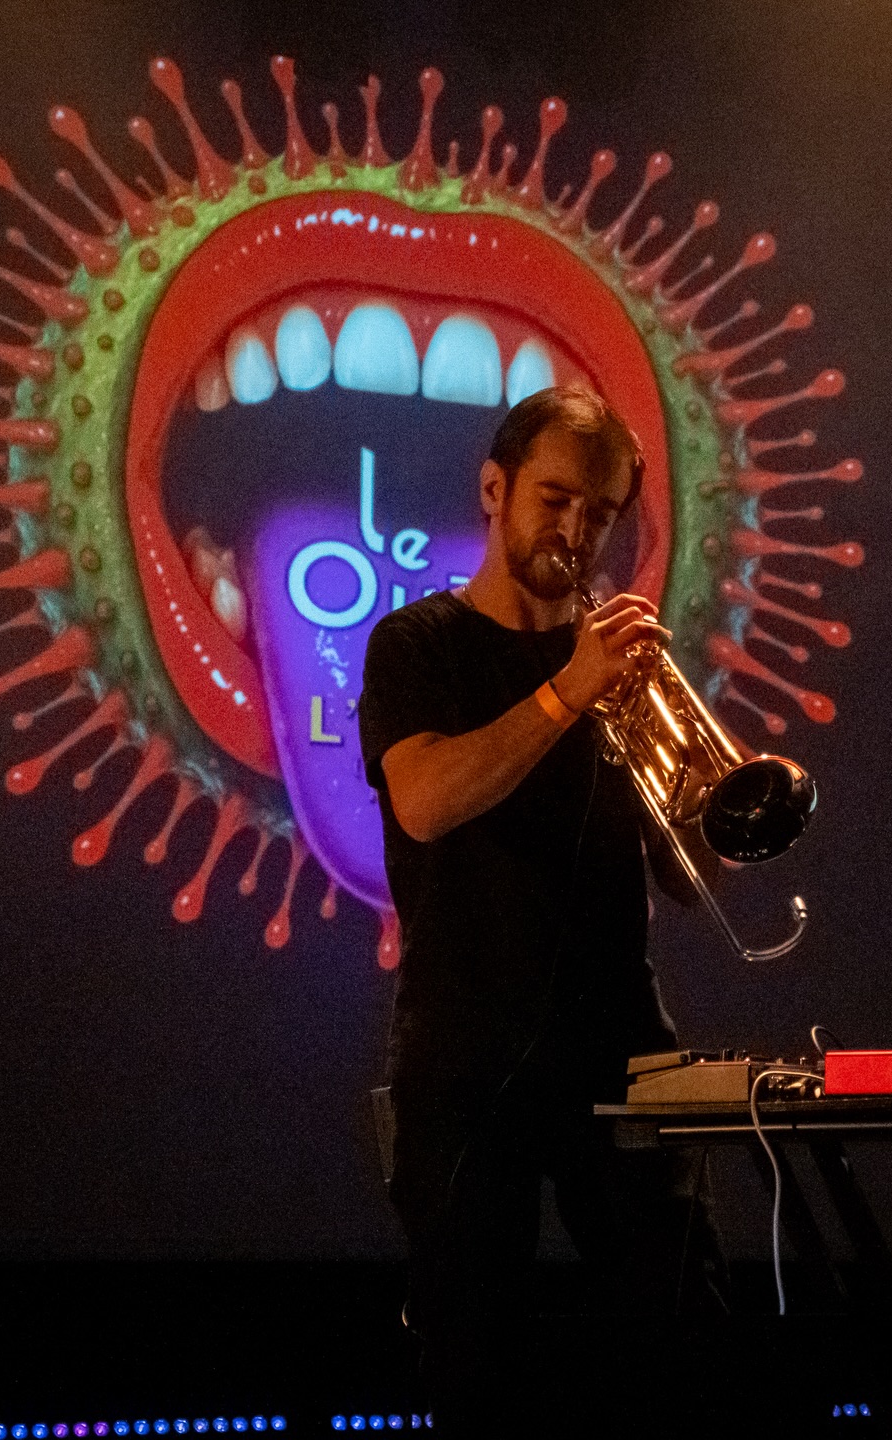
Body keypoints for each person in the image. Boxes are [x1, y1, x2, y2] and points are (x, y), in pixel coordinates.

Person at [358, 386, 706, 1437]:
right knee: (478, 1368)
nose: (576, 531)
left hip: (621, 1042)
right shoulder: (417, 645)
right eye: (555, 500)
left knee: (689, 1341)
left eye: (600, 513)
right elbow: (425, 802)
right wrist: (568, 690)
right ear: (493, 489)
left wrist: (707, 802)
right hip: (468, 1051)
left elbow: (689, 881)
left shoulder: (620, 669)